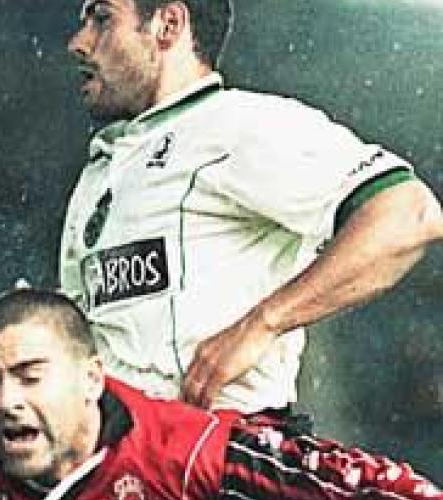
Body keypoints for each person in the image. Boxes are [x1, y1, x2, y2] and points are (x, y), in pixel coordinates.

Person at [59, 0, 443, 411]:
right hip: (119, 444)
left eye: (102, 19)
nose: (77, 42)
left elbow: (409, 213)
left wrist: (263, 323)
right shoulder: (104, 165)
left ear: (168, 25)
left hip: (222, 438)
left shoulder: (239, 123)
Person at [0, 288, 443, 500]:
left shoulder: (182, 450)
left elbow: (371, 486)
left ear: (92, 378)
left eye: (30, 375)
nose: (6, 401)